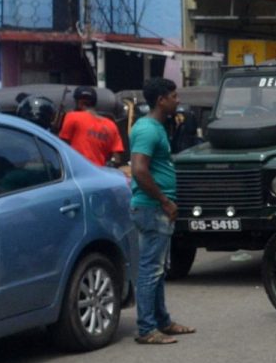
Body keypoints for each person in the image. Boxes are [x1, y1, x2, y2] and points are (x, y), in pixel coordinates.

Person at [129, 77, 190, 345]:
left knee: (157, 269)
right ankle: (146, 328)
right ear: (161, 100)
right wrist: (165, 200)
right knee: (150, 270)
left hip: (155, 207)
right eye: (174, 96)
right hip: (152, 208)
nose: (177, 101)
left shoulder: (156, 127)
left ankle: (162, 321)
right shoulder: (148, 130)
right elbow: (139, 169)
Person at [58, 86, 121, 168]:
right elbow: (117, 159)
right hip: (101, 175)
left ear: (80, 102)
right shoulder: (111, 125)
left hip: (78, 172)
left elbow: (61, 146)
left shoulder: (72, 117)